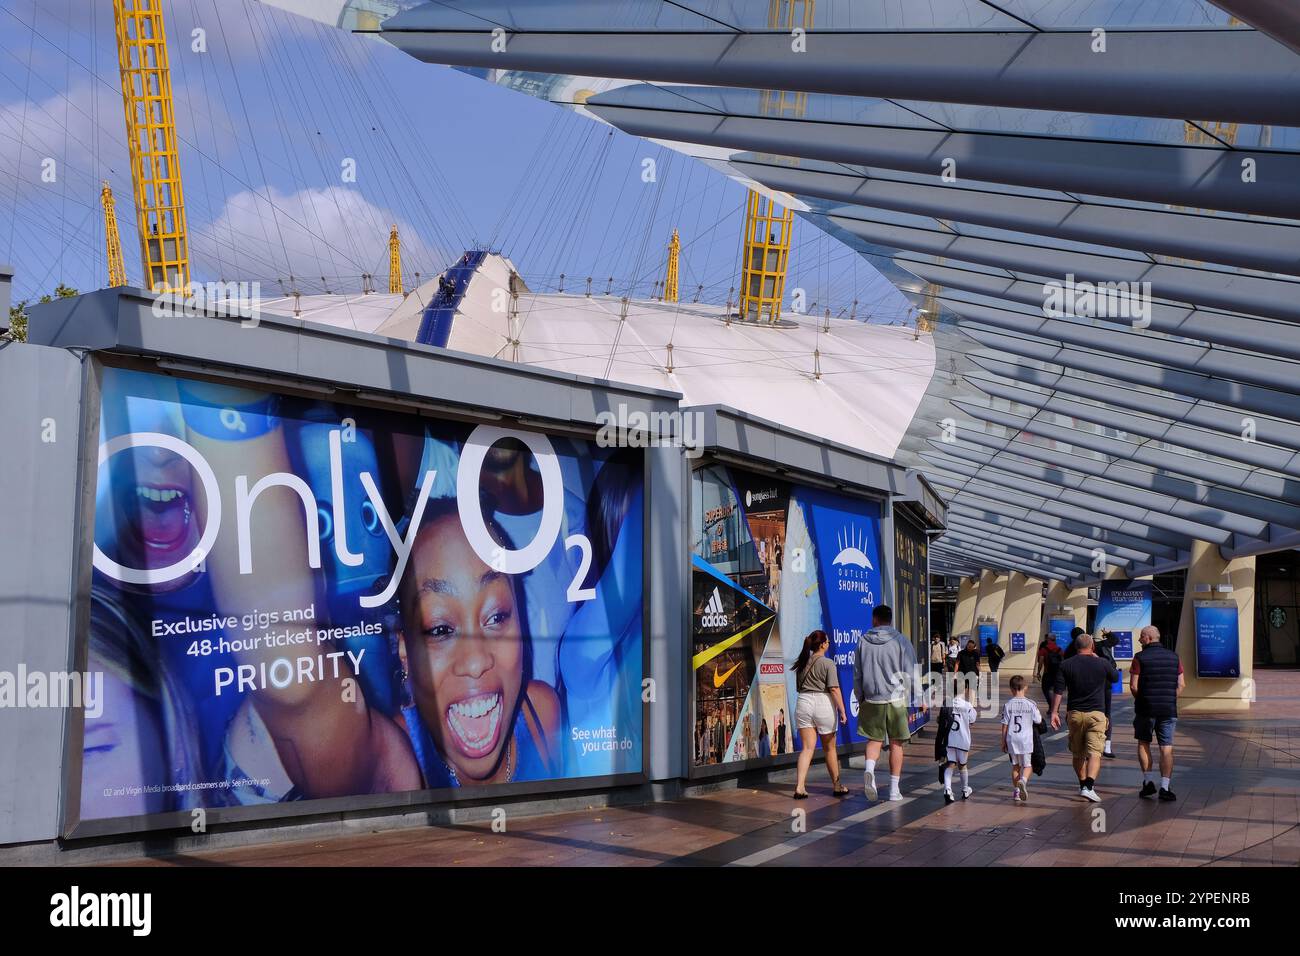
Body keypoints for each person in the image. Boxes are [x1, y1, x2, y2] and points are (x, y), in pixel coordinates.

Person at [854, 605, 924, 802]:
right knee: (896, 744)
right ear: (890, 620)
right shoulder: (901, 641)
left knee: (873, 741)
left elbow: (857, 673)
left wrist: (860, 696)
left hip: (871, 699)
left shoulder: (862, 641)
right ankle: (894, 790)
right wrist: (919, 698)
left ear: (875, 619)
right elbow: (911, 671)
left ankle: (869, 771)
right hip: (896, 699)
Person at [1050, 633, 1118, 803]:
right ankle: (1088, 786)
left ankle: (1083, 785)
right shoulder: (1101, 663)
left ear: (1075, 647)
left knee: (1078, 753)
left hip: (1075, 714)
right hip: (1097, 714)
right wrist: (1101, 660)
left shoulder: (1066, 664)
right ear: (1092, 647)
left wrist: (1054, 712)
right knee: (1095, 752)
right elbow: (1115, 677)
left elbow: (1058, 690)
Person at [1129, 625, 1184, 802]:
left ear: (1149, 638)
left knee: (1144, 742)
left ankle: (1148, 782)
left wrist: (1142, 699)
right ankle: (1165, 787)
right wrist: (1169, 697)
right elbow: (1182, 684)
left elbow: (1133, 686)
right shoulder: (1174, 657)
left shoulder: (1139, 658)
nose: (1139, 640)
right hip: (1168, 709)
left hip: (1146, 709)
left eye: (1141, 637)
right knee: (1166, 747)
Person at [792, 630, 849, 798]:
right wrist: (843, 711)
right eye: (828, 641)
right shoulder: (828, 663)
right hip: (823, 703)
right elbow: (834, 689)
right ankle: (837, 785)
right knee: (829, 748)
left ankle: (800, 787)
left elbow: (798, 688)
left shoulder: (801, 663)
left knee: (807, 748)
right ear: (823, 644)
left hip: (803, 702)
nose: (829, 644)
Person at [1001, 675, 1042, 803]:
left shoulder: (1008, 705)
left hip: (1012, 738)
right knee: (1028, 765)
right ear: (1025, 687)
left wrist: (1003, 741)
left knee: (1015, 766)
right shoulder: (1031, 704)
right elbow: (1038, 720)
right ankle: (1023, 781)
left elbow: (1005, 724)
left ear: (1011, 689)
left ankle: (1017, 792)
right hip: (1026, 739)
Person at [939, 692, 977, 804]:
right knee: (963, 765)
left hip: (949, 739)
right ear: (964, 690)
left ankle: (947, 789)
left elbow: (940, 720)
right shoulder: (967, 705)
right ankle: (965, 789)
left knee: (950, 764)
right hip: (963, 739)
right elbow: (972, 721)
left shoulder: (946, 703)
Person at [1039, 635, 1063, 714]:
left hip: (1047, 673)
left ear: (1048, 639)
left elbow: (1041, 661)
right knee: (1057, 691)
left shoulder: (1043, 649)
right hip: (1058, 674)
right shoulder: (1060, 649)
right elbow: (1063, 662)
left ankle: (1051, 707)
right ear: (1055, 640)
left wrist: (1038, 672)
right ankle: (1056, 708)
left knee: (1046, 690)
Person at [956, 638, 981, 704]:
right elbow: (957, 663)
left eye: (972, 647)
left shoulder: (976, 653)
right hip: (962, 674)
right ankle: (961, 703)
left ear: (974, 647)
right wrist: (955, 673)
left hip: (973, 674)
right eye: (969, 646)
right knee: (962, 690)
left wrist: (980, 673)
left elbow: (977, 664)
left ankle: (971, 705)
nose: (970, 648)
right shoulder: (961, 653)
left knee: (972, 690)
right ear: (967, 645)